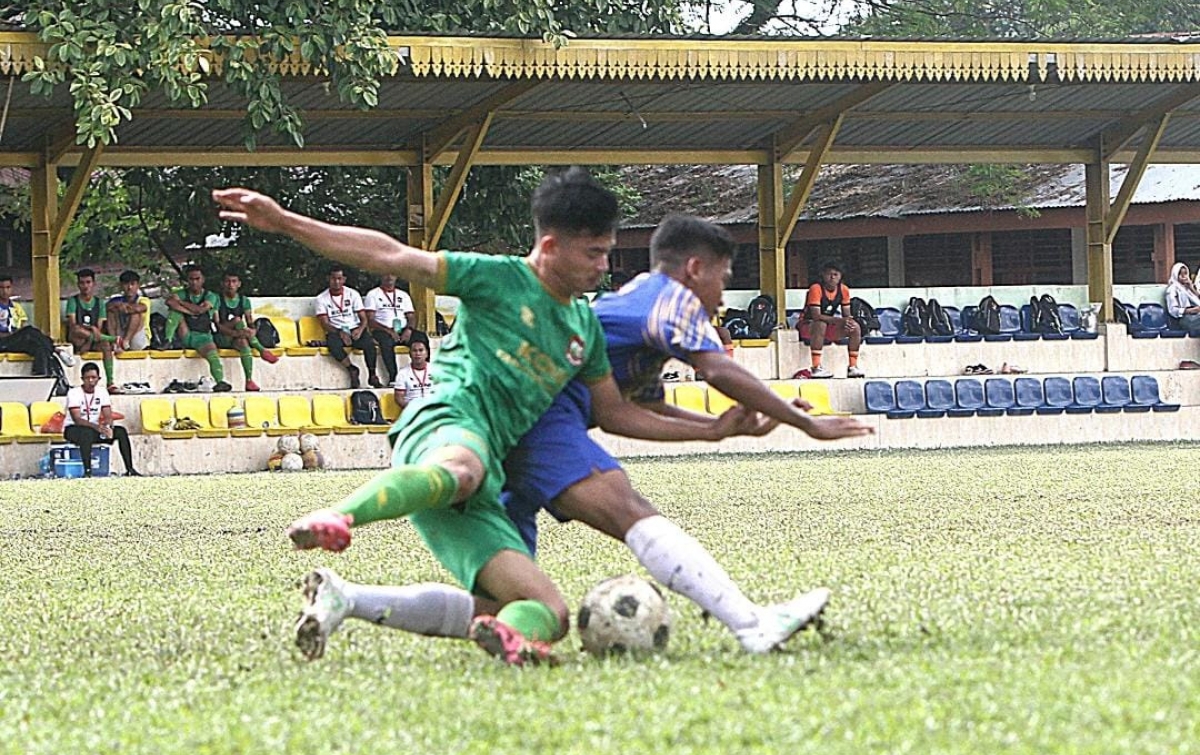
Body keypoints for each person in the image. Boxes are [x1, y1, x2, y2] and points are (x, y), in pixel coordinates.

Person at [213, 169, 768, 666]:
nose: (604, 267)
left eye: (607, 253)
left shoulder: (585, 328)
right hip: (446, 424)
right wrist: (284, 221)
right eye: (594, 254)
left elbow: (615, 413)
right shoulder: (498, 278)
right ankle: (338, 516)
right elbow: (389, 255)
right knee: (463, 467)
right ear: (550, 246)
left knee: (543, 609)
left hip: (485, 480)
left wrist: (713, 428)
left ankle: (462, 626)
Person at [501, 214, 874, 653]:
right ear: (695, 269)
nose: (721, 295)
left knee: (496, 597)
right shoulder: (673, 299)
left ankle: (400, 610)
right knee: (629, 510)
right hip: (539, 420)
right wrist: (805, 423)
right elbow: (717, 369)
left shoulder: (641, 299)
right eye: (723, 278)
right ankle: (752, 624)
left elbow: (641, 407)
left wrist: (718, 431)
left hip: (514, 423)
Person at [63, 361, 141, 477]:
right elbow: (77, 419)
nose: (90, 381)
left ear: (98, 378)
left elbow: (108, 414)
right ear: (82, 379)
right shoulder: (74, 393)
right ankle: (88, 471)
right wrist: (98, 428)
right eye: (87, 378)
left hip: (95, 428)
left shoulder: (102, 392)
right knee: (86, 433)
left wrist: (108, 427)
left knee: (120, 431)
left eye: (93, 377)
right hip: (74, 429)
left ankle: (130, 469)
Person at [164, 265, 232, 392]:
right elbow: (170, 302)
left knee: (213, 354)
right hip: (185, 332)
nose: (194, 282)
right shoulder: (181, 293)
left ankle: (220, 381)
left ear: (203, 279)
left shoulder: (211, 296)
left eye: (197, 279)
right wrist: (190, 312)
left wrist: (182, 303)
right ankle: (167, 340)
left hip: (203, 335)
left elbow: (201, 310)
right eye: (191, 279)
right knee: (175, 313)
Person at [214, 269, 280, 391]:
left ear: (239, 284)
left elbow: (250, 321)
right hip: (222, 336)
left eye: (234, 281)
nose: (230, 285)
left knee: (244, 343)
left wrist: (252, 331)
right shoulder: (217, 299)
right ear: (222, 284)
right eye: (228, 281)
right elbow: (217, 326)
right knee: (237, 320)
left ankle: (249, 381)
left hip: (238, 336)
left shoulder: (244, 300)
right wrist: (236, 332)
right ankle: (261, 349)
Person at [316, 266, 378, 389]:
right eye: (333, 279)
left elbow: (363, 318)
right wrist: (340, 333)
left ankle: (372, 375)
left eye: (339, 278)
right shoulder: (321, 298)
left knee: (369, 345)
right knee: (333, 345)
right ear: (328, 279)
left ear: (344, 279)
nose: (336, 282)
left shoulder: (353, 294)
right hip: (336, 330)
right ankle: (352, 369)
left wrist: (360, 329)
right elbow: (324, 323)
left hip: (354, 328)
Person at [798, 261, 863, 379]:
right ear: (823, 275)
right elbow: (816, 316)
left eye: (836, 274)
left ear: (840, 276)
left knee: (855, 327)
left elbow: (846, 315)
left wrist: (848, 322)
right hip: (807, 326)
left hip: (829, 325)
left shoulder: (843, 290)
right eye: (829, 274)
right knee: (820, 324)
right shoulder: (816, 288)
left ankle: (852, 366)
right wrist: (840, 321)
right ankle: (816, 367)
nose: (832, 277)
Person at [364, 273, 424, 386]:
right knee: (386, 342)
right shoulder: (373, 294)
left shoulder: (403, 295)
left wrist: (409, 329)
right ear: (381, 276)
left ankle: (423, 372)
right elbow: (370, 320)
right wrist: (389, 331)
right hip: (382, 329)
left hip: (403, 329)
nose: (389, 277)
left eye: (392, 274)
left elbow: (411, 316)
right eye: (386, 274)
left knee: (421, 338)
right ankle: (394, 377)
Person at [65, 268, 117, 391]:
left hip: (93, 338)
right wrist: (91, 329)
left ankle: (110, 382)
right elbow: (73, 325)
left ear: (93, 284)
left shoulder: (99, 302)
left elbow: (98, 327)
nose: (85, 286)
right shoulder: (73, 301)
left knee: (105, 345)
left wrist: (91, 336)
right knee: (77, 330)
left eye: (88, 282)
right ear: (78, 284)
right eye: (82, 283)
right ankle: (114, 339)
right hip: (78, 338)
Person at [0, 274, 59, 378]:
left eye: (7, 287)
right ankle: (54, 348)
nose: (5, 291)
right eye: (1, 288)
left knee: (40, 348)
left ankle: (41, 375)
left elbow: (20, 325)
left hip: (14, 340)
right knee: (29, 330)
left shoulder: (16, 307)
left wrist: (17, 334)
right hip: (2, 341)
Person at [105, 270, 151, 352]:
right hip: (120, 334)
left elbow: (140, 308)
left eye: (132, 284)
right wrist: (118, 305)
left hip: (138, 338)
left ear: (138, 285)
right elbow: (107, 306)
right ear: (121, 286)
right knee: (111, 312)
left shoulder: (143, 300)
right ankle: (115, 342)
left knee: (135, 314)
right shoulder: (116, 300)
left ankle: (125, 342)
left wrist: (124, 307)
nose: (129, 287)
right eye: (126, 284)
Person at [392, 332, 435, 412]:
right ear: (410, 354)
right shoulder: (403, 373)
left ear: (427, 353)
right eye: (414, 351)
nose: (417, 354)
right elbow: (399, 398)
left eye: (421, 350)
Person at [1164, 262, 1200, 335]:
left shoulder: (1188, 288)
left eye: (1185, 273)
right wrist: (1190, 310)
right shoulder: (1172, 289)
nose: (1184, 276)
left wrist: (1192, 288)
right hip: (1185, 319)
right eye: (1181, 274)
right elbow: (1173, 310)